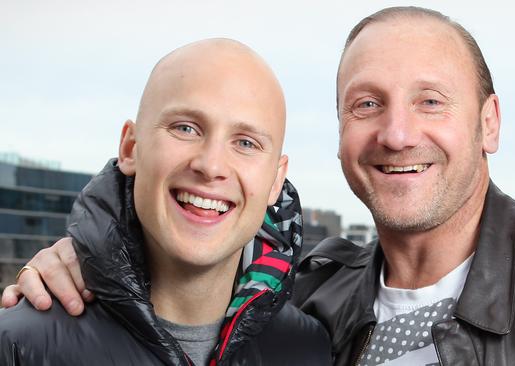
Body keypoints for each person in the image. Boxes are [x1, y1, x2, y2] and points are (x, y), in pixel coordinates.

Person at [5, 6, 515, 366]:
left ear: (489, 123)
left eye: (430, 101)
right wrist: (91, 255)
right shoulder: (303, 301)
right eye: (367, 104)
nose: (397, 134)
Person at [0, 38, 331, 365]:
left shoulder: (309, 348)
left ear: (275, 179)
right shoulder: (20, 345)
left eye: (245, 142)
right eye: (186, 128)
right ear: (131, 148)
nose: (211, 165)